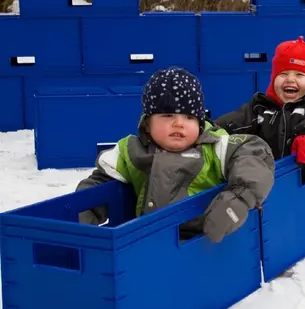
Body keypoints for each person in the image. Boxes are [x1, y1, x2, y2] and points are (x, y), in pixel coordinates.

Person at [76, 67, 275, 243]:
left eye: (189, 117)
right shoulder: (131, 150)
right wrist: (84, 214)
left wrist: (238, 198)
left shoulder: (215, 147)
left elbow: (255, 155)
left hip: (203, 245)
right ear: (147, 122)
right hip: (147, 244)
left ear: (199, 123)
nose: (178, 123)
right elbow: (100, 185)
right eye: (167, 115)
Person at [215, 36, 305, 171]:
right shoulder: (260, 108)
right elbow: (232, 121)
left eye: (299, 75)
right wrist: (206, 129)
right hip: (265, 179)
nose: (290, 80)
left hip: (300, 179)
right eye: (283, 74)